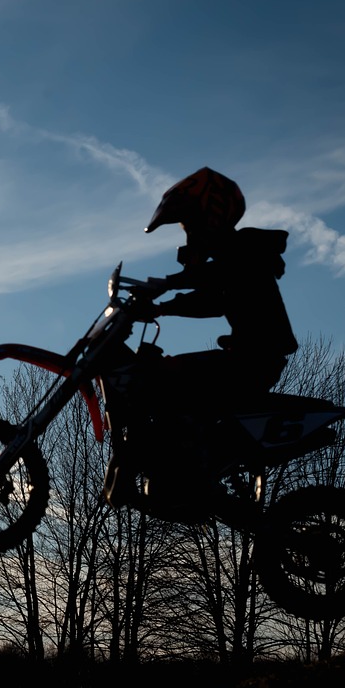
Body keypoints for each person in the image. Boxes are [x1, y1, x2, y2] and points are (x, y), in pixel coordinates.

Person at [103, 166, 299, 509]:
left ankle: (193, 473)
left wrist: (166, 290)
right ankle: (178, 466)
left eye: (188, 223)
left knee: (164, 375)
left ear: (211, 215)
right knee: (165, 377)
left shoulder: (244, 252)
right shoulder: (234, 255)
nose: (187, 233)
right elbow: (214, 293)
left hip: (253, 361)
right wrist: (165, 302)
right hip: (248, 358)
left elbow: (215, 289)